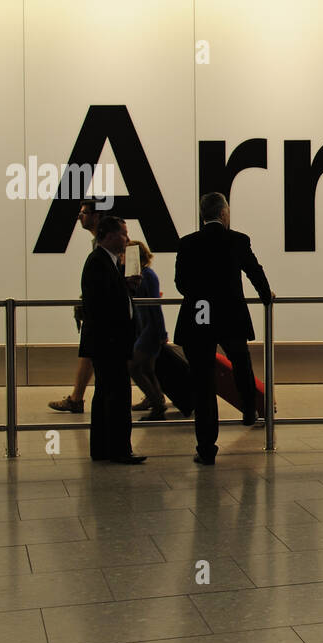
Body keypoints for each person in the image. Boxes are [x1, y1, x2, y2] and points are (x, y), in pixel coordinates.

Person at [174, 192, 273, 465]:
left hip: (198, 318)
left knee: (203, 383)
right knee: (241, 361)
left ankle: (206, 447)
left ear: (202, 214)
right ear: (224, 213)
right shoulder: (238, 240)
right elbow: (255, 271)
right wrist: (266, 296)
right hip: (231, 316)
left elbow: (181, 283)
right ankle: (249, 408)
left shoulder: (188, 243)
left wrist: (203, 294)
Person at [80, 216, 145, 464]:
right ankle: (119, 448)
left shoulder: (106, 262)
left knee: (105, 393)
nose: (127, 239)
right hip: (109, 342)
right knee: (116, 395)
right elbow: (102, 305)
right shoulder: (99, 262)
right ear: (108, 235)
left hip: (106, 341)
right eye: (123, 234)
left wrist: (127, 287)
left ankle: (103, 447)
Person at [49, 200, 100, 414]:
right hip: (97, 309)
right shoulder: (98, 243)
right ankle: (76, 397)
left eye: (85, 212)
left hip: (101, 312)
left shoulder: (106, 244)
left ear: (97, 216)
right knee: (88, 352)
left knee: (90, 352)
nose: (80, 216)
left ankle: (77, 398)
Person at [126, 240, 168, 421]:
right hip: (145, 329)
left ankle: (157, 403)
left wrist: (161, 332)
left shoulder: (148, 276)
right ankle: (155, 399)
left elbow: (154, 306)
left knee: (133, 367)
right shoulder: (138, 276)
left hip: (150, 330)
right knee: (147, 368)